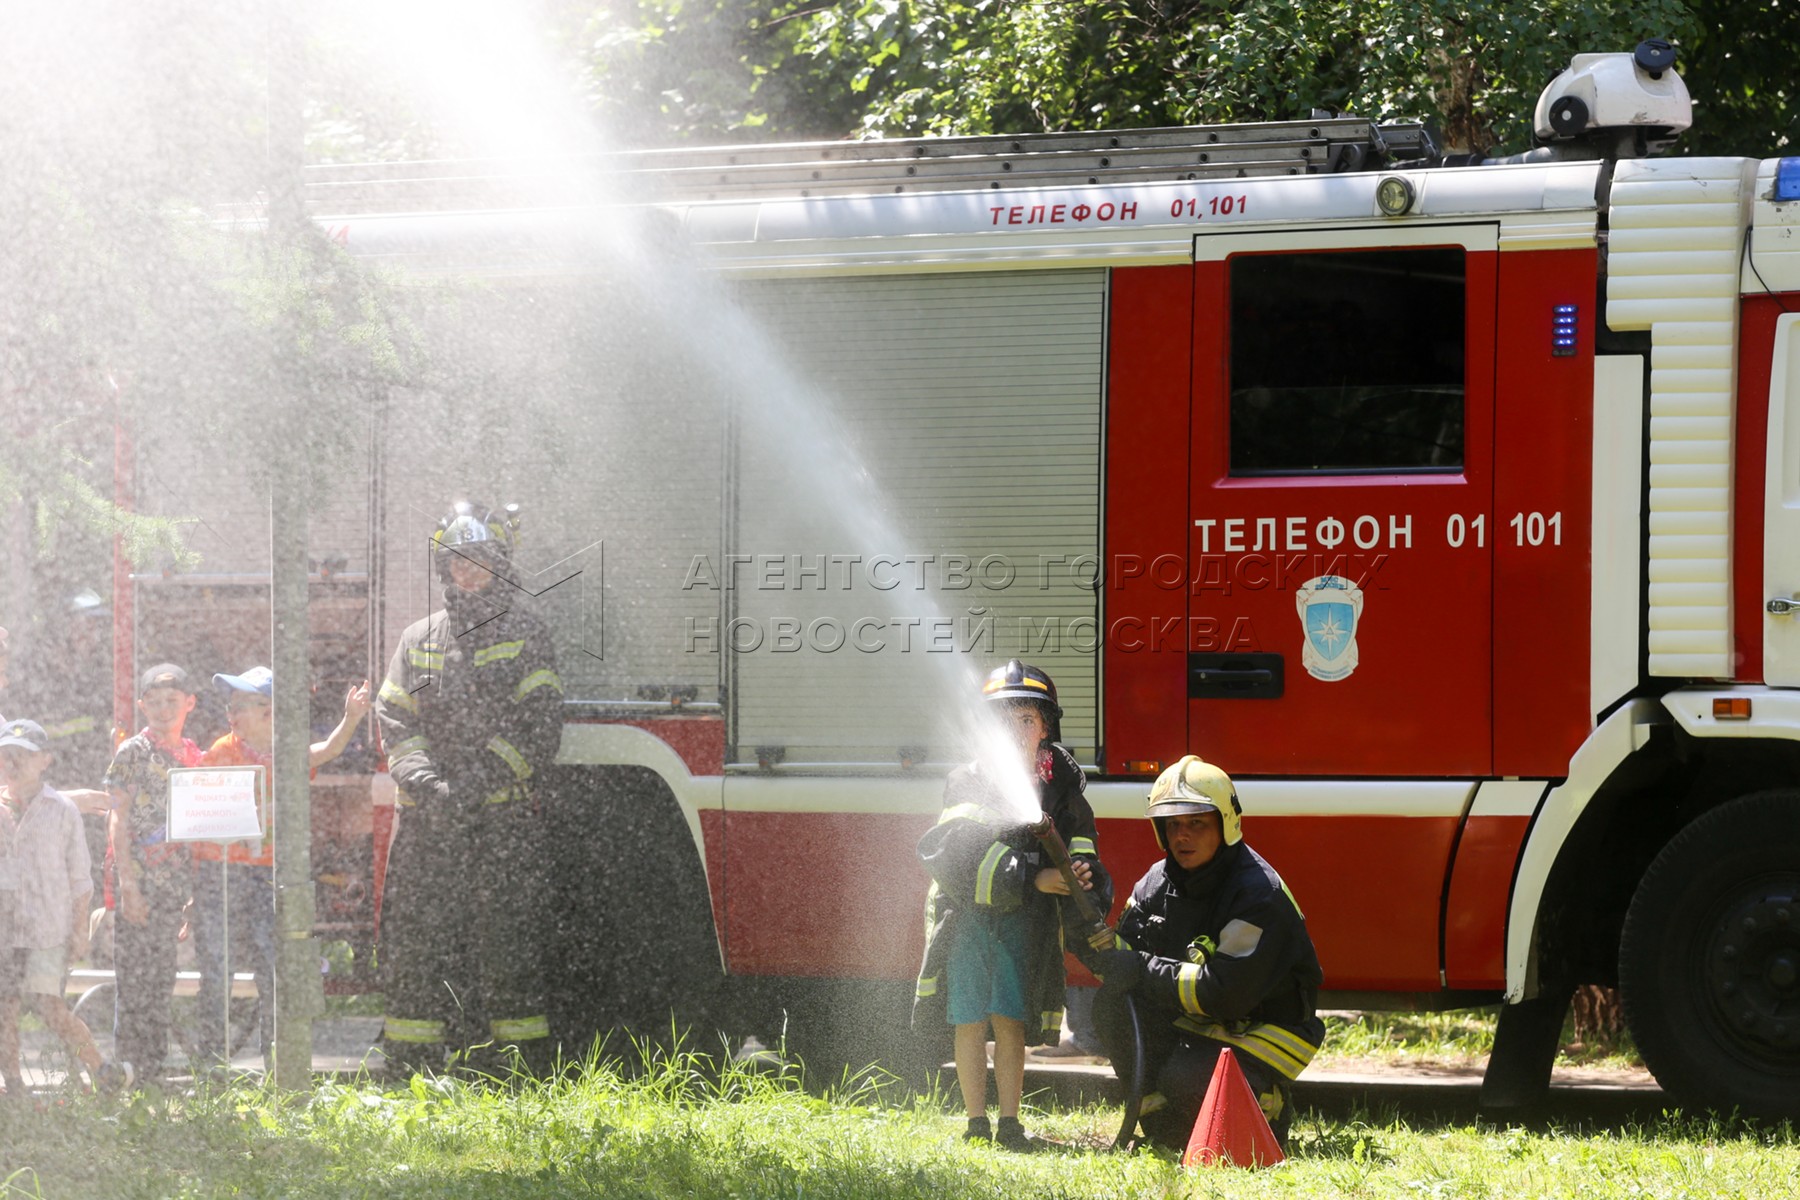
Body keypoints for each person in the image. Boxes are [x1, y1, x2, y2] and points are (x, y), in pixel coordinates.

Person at [374, 500, 564, 1077]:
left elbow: (539, 723)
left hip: (499, 823)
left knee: (506, 942)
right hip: (429, 821)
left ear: (500, 563)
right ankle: (413, 1061)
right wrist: (427, 780)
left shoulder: (526, 632)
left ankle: (513, 1067)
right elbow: (394, 719)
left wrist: (479, 780)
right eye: (457, 561)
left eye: (479, 559)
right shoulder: (418, 638)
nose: (468, 571)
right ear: (443, 568)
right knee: (418, 939)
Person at [912, 659, 1111, 1151]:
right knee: (969, 1019)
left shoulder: (1061, 786)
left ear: (1046, 728)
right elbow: (954, 853)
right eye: (1003, 720)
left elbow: (1081, 843)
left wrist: (1083, 877)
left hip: (1024, 924)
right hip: (969, 920)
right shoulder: (967, 779)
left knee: (1009, 1020)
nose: (1015, 730)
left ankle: (1009, 1123)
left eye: (1027, 719)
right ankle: (975, 1123)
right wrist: (1034, 877)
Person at [1091, 755, 1325, 1149]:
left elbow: (1224, 994)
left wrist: (1139, 966)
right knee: (1110, 1005)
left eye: (1197, 823)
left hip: (1267, 1026)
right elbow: (1124, 960)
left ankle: (1270, 1109)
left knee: (1186, 1078)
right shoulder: (1156, 881)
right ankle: (1163, 1125)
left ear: (1226, 823)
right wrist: (1089, 936)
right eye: (1174, 824)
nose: (1183, 836)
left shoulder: (1257, 894)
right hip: (1199, 1018)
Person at [191, 666, 370, 1070]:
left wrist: (352, 718)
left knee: (271, 968)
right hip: (222, 874)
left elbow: (325, 751)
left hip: (268, 875)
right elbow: (198, 810)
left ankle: (277, 1063)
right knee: (216, 969)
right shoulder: (222, 750)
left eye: (241, 706)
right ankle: (211, 1065)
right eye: (230, 706)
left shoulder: (287, 752)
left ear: (269, 711)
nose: (231, 714)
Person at [0, 719, 116, 1093]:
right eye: (6, 755)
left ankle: (102, 1072)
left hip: (47, 930)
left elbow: (80, 877)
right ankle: (14, 1085)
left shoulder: (62, 809)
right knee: (5, 1010)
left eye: (24, 755)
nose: (13, 763)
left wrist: (80, 930)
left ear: (45, 760)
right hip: (4, 930)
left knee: (50, 1008)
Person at [102, 663, 202, 1088]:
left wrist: (192, 895)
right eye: (155, 702)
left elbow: (199, 827)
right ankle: (129, 1068)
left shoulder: (194, 756)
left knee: (162, 977)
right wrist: (128, 885)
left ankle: (151, 1068)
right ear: (142, 705)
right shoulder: (132, 752)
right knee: (135, 978)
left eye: (172, 702)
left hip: (174, 888)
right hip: (137, 883)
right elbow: (116, 818)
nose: (164, 710)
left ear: (190, 704)